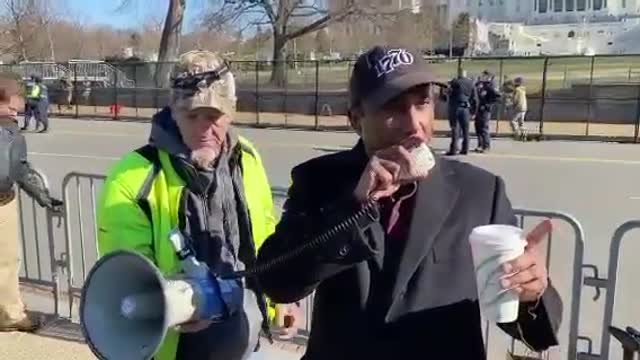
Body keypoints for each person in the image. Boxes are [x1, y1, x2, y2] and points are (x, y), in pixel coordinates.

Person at [256, 45, 563, 360]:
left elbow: (535, 334)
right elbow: (278, 282)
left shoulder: (480, 192)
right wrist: (353, 208)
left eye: (423, 103)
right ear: (355, 118)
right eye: (393, 108)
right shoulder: (320, 181)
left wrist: (531, 293)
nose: (414, 123)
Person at [96, 50, 277, 360]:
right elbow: (130, 273)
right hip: (175, 344)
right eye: (192, 116)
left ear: (231, 112)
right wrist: (181, 302)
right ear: (174, 112)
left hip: (244, 335)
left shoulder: (247, 158)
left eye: (214, 116)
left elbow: (265, 232)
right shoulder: (133, 176)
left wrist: (278, 299)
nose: (204, 128)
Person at [0, 76, 63, 332]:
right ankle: (10, 314)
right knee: (6, 260)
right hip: (2, 202)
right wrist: (44, 198)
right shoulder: (9, 132)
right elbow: (16, 171)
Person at [444, 68, 478, 155]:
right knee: (466, 130)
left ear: (459, 74)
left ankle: (454, 149)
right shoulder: (471, 83)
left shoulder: (454, 82)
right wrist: (474, 111)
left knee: (455, 128)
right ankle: (465, 149)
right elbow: (475, 98)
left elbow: (447, 93)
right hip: (466, 108)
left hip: (455, 107)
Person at [475, 70, 501, 153]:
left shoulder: (491, 86)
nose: (483, 77)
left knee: (484, 128)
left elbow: (497, 97)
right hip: (478, 109)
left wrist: (487, 105)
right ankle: (480, 144)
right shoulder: (480, 84)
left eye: (485, 75)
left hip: (485, 110)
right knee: (478, 127)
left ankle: (486, 146)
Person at [510, 77, 528, 141]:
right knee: (521, 123)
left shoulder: (517, 90)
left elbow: (515, 99)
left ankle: (517, 134)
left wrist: (512, 105)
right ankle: (524, 134)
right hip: (524, 108)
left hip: (519, 107)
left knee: (513, 121)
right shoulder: (523, 90)